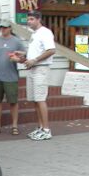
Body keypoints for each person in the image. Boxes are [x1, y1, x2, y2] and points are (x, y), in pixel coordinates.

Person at [11, 10, 56, 140]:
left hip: (40, 68)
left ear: (38, 19)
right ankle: (40, 127)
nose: (29, 21)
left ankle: (46, 129)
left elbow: (51, 50)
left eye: (31, 19)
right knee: (35, 100)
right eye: (28, 19)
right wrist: (24, 56)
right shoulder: (34, 34)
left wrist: (35, 60)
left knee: (40, 99)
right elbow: (35, 53)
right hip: (32, 68)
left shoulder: (45, 32)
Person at [0, 19, 25, 135]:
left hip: (11, 76)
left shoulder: (16, 41)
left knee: (13, 101)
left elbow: (23, 57)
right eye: (1, 27)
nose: (3, 29)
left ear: (10, 28)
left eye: (5, 27)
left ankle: (14, 125)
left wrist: (18, 58)